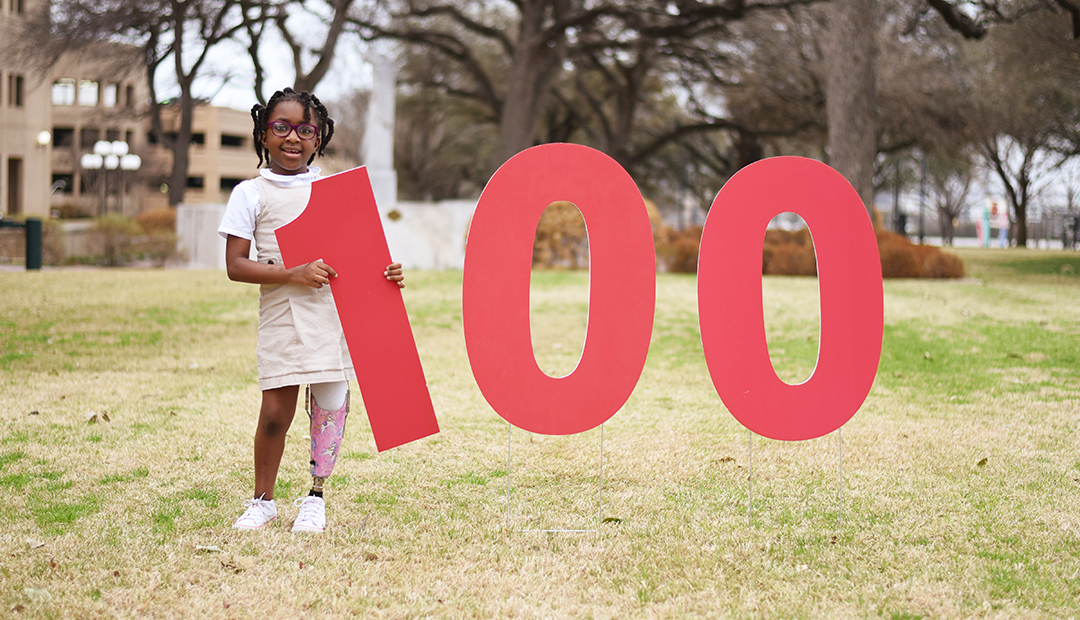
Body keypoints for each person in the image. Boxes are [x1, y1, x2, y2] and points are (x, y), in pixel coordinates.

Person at [217, 87, 404, 533]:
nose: (293, 138)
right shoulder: (250, 193)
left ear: (319, 138)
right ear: (264, 134)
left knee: (329, 406)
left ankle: (315, 497)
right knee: (275, 414)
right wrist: (291, 273)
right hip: (283, 313)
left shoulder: (334, 190)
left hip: (333, 316)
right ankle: (262, 501)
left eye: (306, 129)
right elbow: (235, 266)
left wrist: (388, 272)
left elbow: (361, 256)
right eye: (281, 127)